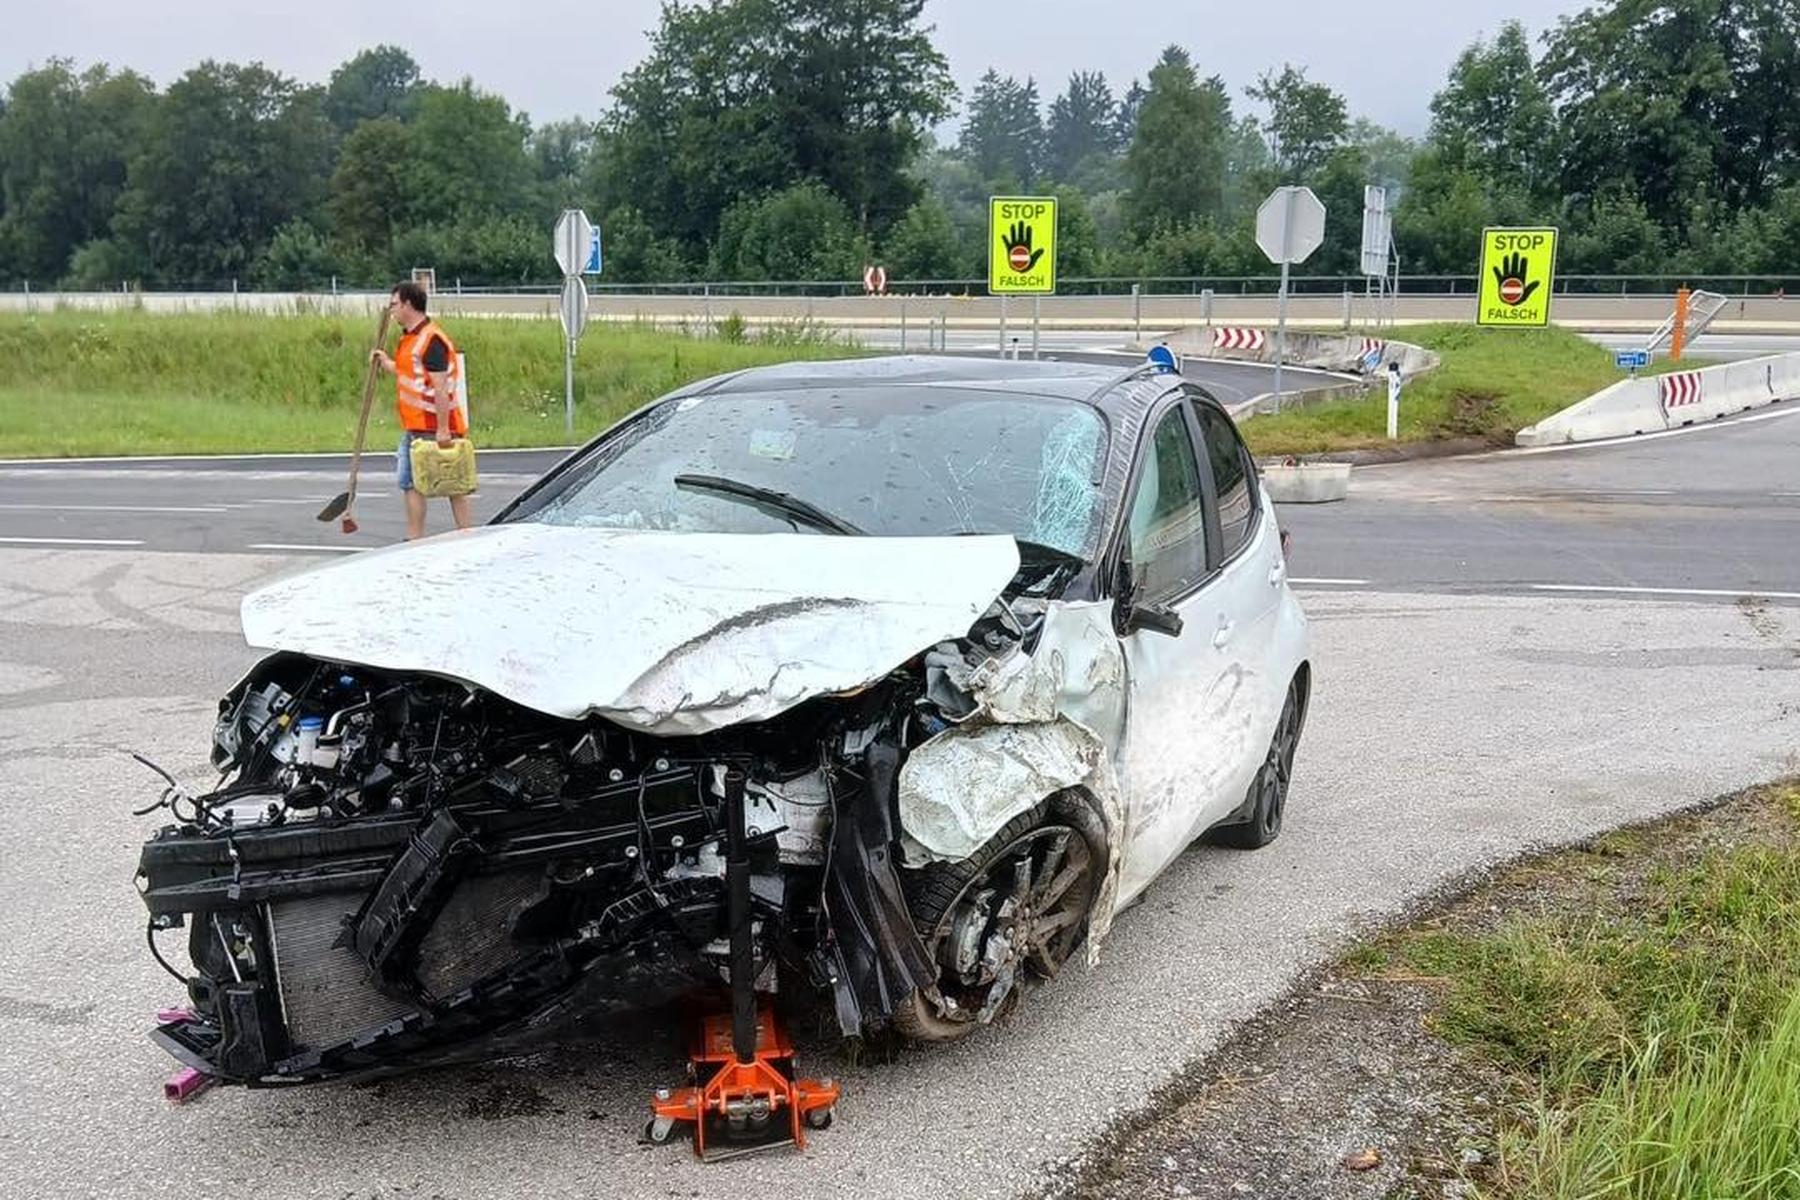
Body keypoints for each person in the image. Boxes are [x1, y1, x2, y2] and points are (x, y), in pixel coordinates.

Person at [371, 281, 473, 538]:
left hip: (434, 426)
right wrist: (386, 363)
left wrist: (442, 430)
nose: (391, 310)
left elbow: (440, 388)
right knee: (410, 483)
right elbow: (411, 373)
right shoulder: (411, 339)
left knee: (453, 483)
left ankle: (466, 534)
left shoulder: (431, 340)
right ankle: (415, 539)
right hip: (414, 427)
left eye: (394, 304)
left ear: (408, 304)